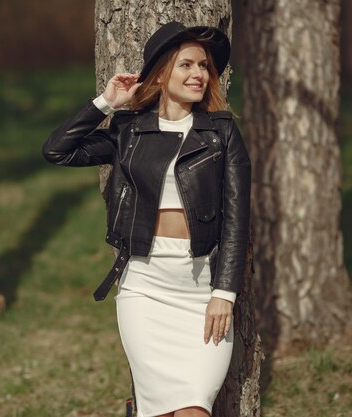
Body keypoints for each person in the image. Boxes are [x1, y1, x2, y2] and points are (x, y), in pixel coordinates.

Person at [43, 21, 251, 417]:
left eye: (204, 66)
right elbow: (57, 151)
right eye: (186, 65)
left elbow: (237, 220)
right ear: (161, 71)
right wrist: (106, 103)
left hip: (201, 290)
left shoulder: (221, 132)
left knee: (194, 407)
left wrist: (224, 294)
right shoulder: (130, 130)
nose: (199, 75)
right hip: (145, 288)